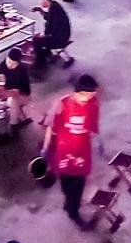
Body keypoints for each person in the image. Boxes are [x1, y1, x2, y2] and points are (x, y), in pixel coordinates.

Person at [43, 74, 101, 226]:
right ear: (78, 93)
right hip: (63, 151)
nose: (90, 99)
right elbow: (51, 127)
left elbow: (93, 124)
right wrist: (45, 149)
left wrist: (98, 139)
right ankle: (70, 205)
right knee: (65, 180)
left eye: (92, 95)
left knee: (78, 185)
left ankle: (73, 210)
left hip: (82, 152)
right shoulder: (62, 105)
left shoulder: (93, 103)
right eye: (88, 96)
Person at [0, 47, 35, 129]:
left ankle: (14, 124)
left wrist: (5, 93)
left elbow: (17, 91)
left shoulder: (21, 71)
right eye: (9, 62)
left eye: (13, 63)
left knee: (13, 100)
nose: (10, 65)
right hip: (7, 92)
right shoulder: (2, 65)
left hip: (23, 95)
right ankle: (21, 117)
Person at [32, 0, 73, 71]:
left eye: (41, 0)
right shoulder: (54, 5)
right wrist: (40, 10)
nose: (40, 2)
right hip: (61, 33)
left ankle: (40, 63)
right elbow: (49, 18)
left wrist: (44, 35)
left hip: (61, 37)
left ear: (45, 0)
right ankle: (47, 55)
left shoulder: (53, 9)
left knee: (36, 41)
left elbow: (50, 26)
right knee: (40, 39)